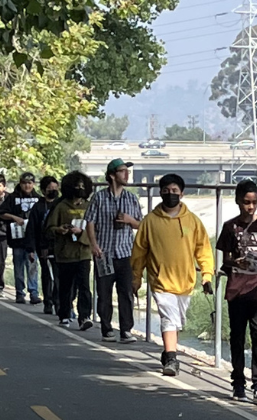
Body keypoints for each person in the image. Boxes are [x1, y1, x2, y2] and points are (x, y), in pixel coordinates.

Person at [130, 173, 214, 377]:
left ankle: (168, 352)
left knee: (177, 322)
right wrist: (136, 277)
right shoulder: (149, 222)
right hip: (160, 281)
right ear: (160, 193)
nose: (170, 195)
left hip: (185, 282)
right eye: (166, 191)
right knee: (169, 319)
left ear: (182, 194)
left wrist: (207, 274)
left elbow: (203, 249)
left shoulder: (192, 221)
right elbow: (139, 252)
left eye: (174, 191)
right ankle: (171, 358)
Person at [216, 179, 257, 403]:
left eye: (253, 202)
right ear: (237, 201)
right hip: (237, 290)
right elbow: (225, 260)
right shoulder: (230, 227)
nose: (250, 207)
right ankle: (238, 384)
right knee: (237, 337)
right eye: (246, 202)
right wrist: (237, 264)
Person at [86, 158, 142, 342]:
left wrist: (129, 220)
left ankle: (126, 330)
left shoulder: (131, 198)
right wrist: (94, 245)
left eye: (127, 171)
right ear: (112, 175)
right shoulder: (99, 197)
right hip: (104, 253)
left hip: (125, 253)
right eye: (122, 171)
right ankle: (107, 328)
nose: (127, 174)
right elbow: (90, 222)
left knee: (126, 292)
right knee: (104, 292)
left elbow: (141, 225)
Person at [46, 170, 95, 330]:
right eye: (76, 186)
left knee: (84, 286)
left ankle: (84, 316)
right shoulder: (61, 206)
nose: (79, 188)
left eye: (82, 186)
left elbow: (95, 229)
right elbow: (49, 228)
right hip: (65, 254)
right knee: (66, 287)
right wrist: (60, 230)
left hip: (83, 253)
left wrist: (81, 233)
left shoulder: (89, 207)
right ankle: (64, 314)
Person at [0, 172, 41, 304]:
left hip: (33, 241)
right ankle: (19, 293)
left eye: (29, 183)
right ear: (20, 183)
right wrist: (14, 217)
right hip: (17, 239)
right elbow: (0, 213)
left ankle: (34, 293)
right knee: (18, 268)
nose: (27, 186)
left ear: (33, 184)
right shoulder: (12, 198)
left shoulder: (38, 198)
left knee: (33, 267)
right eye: (24, 183)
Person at [28, 175, 60, 314]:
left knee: (59, 275)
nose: (52, 191)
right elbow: (32, 229)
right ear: (43, 190)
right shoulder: (38, 207)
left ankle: (58, 301)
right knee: (47, 274)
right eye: (49, 189)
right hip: (43, 246)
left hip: (59, 246)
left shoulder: (60, 204)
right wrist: (31, 248)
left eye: (54, 188)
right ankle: (48, 301)